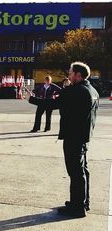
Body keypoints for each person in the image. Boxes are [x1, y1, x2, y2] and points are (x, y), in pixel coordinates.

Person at [56, 61, 99, 218]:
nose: (68, 75)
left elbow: (53, 104)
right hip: (83, 137)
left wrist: (31, 99)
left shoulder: (75, 91)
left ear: (78, 75)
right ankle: (83, 202)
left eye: (70, 73)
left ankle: (77, 207)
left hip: (73, 138)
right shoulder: (92, 90)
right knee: (83, 171)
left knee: (75, 173)